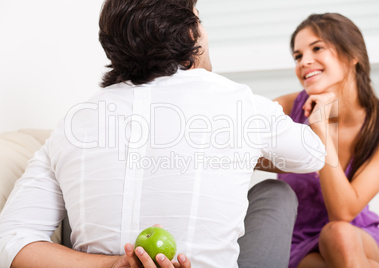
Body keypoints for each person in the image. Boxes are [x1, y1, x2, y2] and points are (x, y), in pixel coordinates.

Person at [0, 1, 326, 267]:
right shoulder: (237, 101)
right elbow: (313, 155)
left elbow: (11, 240)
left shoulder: (74, 122)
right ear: (190, 32)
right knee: (276, 193)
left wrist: (115, 264)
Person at [273, 13, 379, 268]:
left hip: (356, 233)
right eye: (298, 56)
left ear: (354, 55)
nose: (304, 62)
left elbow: (342, 213)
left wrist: (322, 129)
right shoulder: (286, 108)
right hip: (296, 239)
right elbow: (237, 138)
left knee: (338, 233)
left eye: (317, 48)